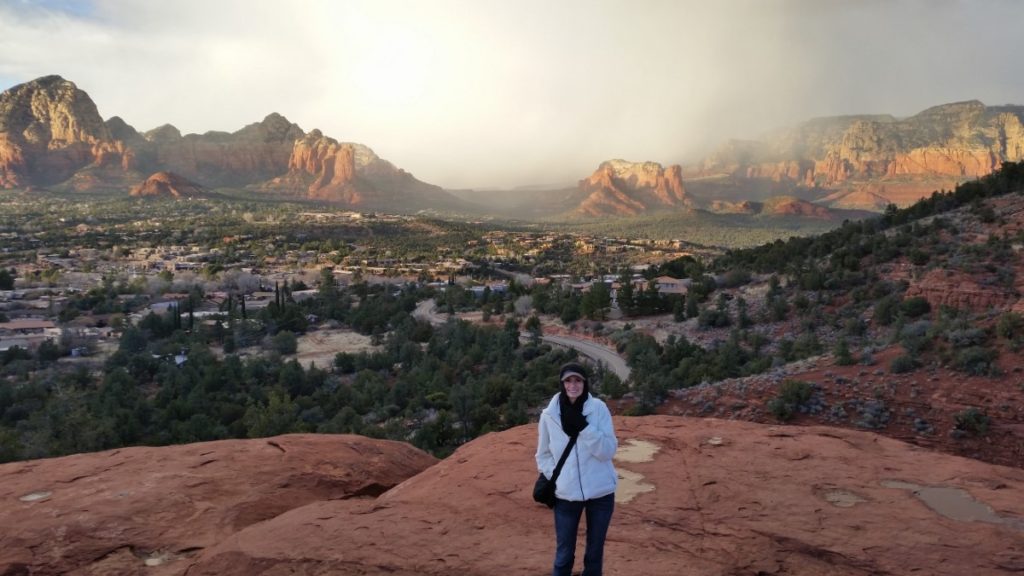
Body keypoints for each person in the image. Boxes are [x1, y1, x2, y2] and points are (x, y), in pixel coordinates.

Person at [535, 361, 618, 576]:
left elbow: (607, 450)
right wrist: (558, 477)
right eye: (568, 381)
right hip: (566, 495)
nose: (573, 385)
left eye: (578, 380)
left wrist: (584, 427)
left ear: (585, 383)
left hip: (601, 493)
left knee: (594, 554)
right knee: (564, 555)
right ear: (562, 384)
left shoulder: (598, 409)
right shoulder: (549, 416)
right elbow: (542, 454)